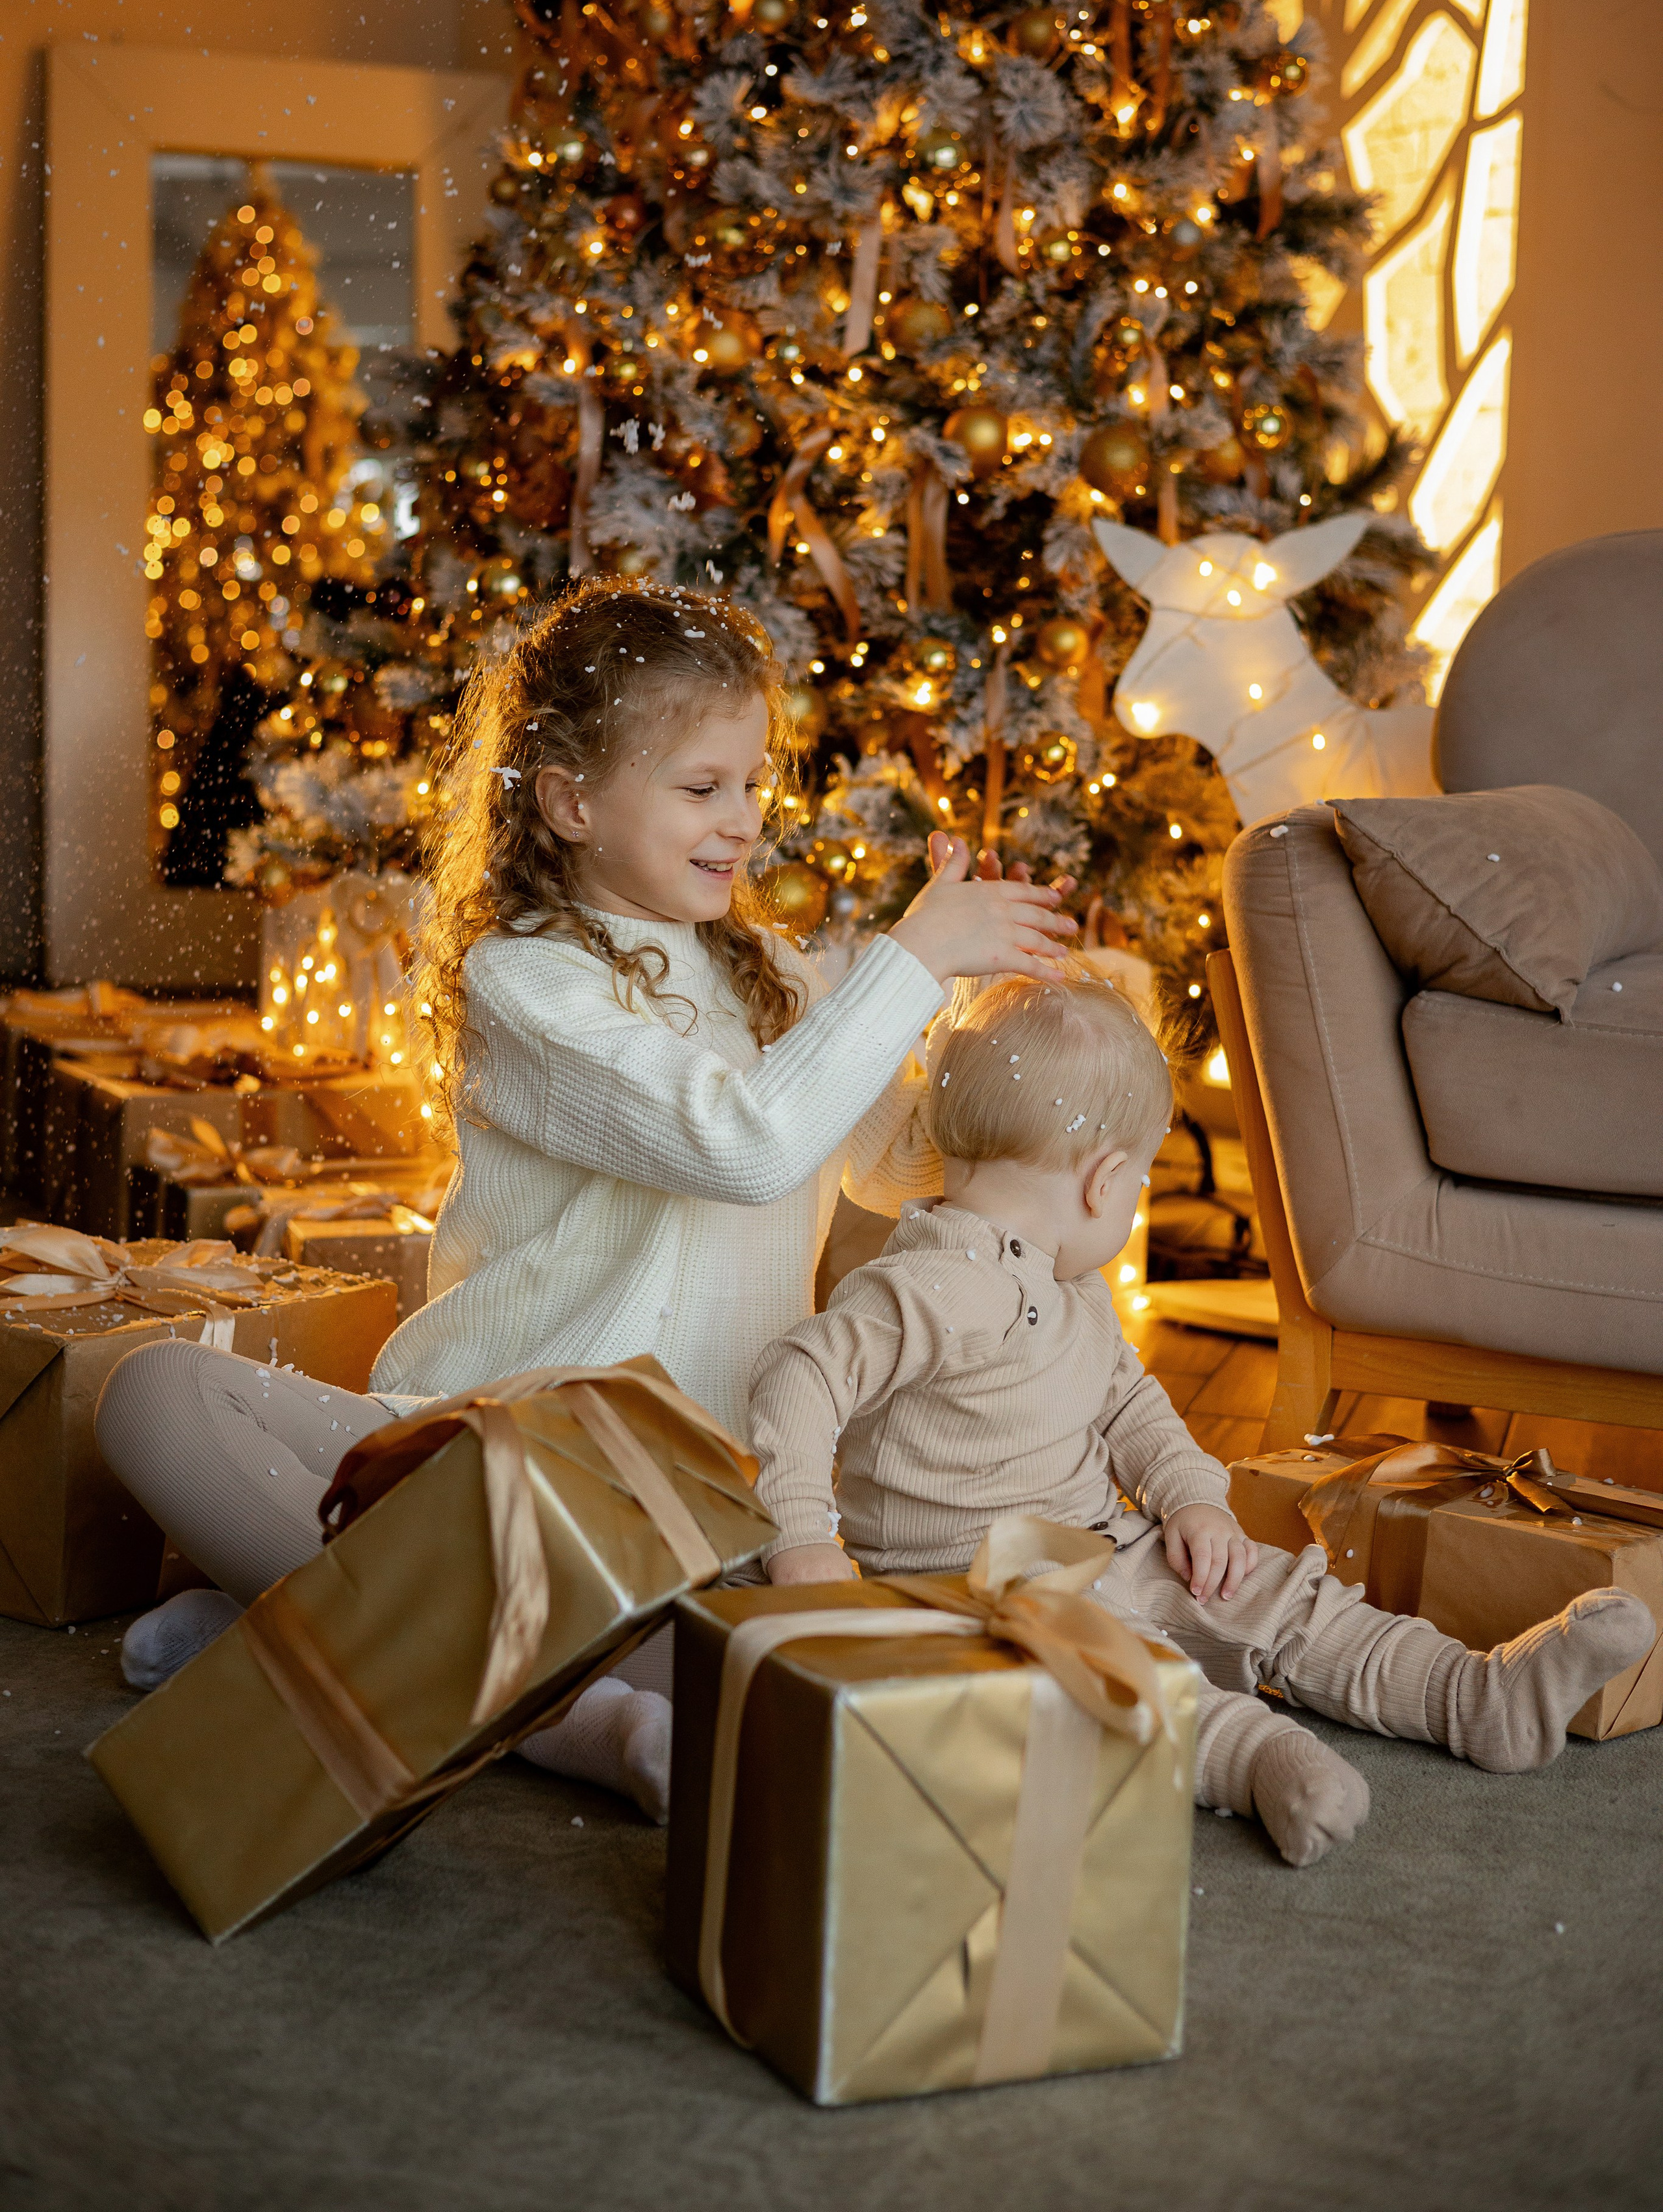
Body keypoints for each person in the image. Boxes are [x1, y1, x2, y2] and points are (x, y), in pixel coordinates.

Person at [97, 578, 1074, 1816]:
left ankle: (321, 1631)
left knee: (724, 1639)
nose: (744, 822)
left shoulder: (774, 969)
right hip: (486, 1445)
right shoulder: (529, 987)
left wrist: (963, 1025)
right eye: (702, 788)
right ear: (570, 801)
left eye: (755, 785)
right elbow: (745, 1144)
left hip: (691, 1495)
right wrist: (908, 961)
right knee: (158, 1397)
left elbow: (892, 1165)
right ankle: (545, 1704)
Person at [747, 970, 1656, 1867]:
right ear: (1106, 1183)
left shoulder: (1070, 1285)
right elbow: (799, 1374)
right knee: (1117, 1674)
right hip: (970, 1590)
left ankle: (1474, 1697)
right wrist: (802, 1537)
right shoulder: (935, 1285)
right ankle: (1259, 1760)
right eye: (1142, 1179)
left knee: (1280, 1596)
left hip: (1104, 1540)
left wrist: (1192, 1501)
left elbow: (1130, 1400)